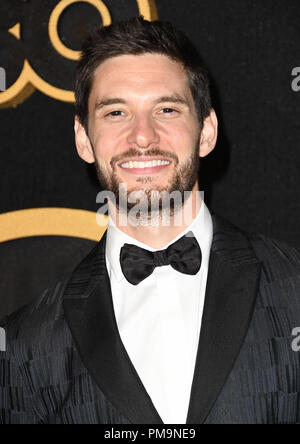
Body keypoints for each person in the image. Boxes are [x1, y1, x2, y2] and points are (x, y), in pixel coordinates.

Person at [1, 16, 300, 425]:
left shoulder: (294, 292)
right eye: (116, 112)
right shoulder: (23, 348)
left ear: (207, 131)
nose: (143, 136)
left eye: (166, 108)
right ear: (84, 139)